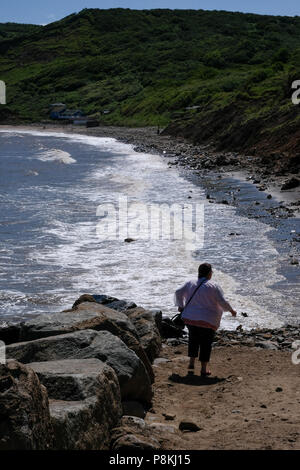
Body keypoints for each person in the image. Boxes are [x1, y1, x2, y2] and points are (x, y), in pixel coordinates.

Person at [174, 263, 237, 376]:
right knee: (205, 343)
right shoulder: (213, 285)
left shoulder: (190, 282)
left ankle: (191, 363)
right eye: (211, 272)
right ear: (209, 273)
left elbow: (178, 292)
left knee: (193, 339)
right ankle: (203, 369)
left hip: (190, 318)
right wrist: (231, 311)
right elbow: (222, 301)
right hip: (208, 320)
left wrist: (181, 305)